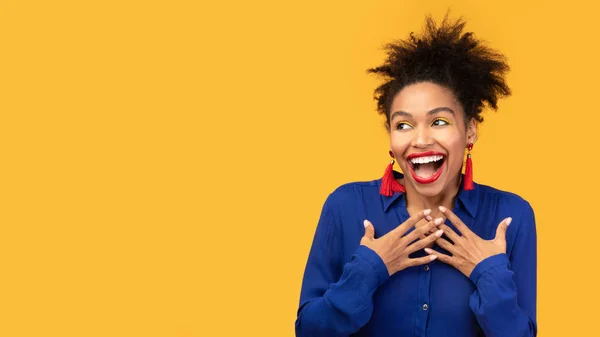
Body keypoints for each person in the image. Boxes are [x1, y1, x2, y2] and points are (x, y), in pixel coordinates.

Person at [295, 14, 537, 337]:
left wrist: (488, 272)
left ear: (470, 131)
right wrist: (370, 268)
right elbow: (309, 331)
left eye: (439, 122)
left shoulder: (511, 217)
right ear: (391, 140)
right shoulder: (344, 207)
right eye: (403, 125)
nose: (420, 140)